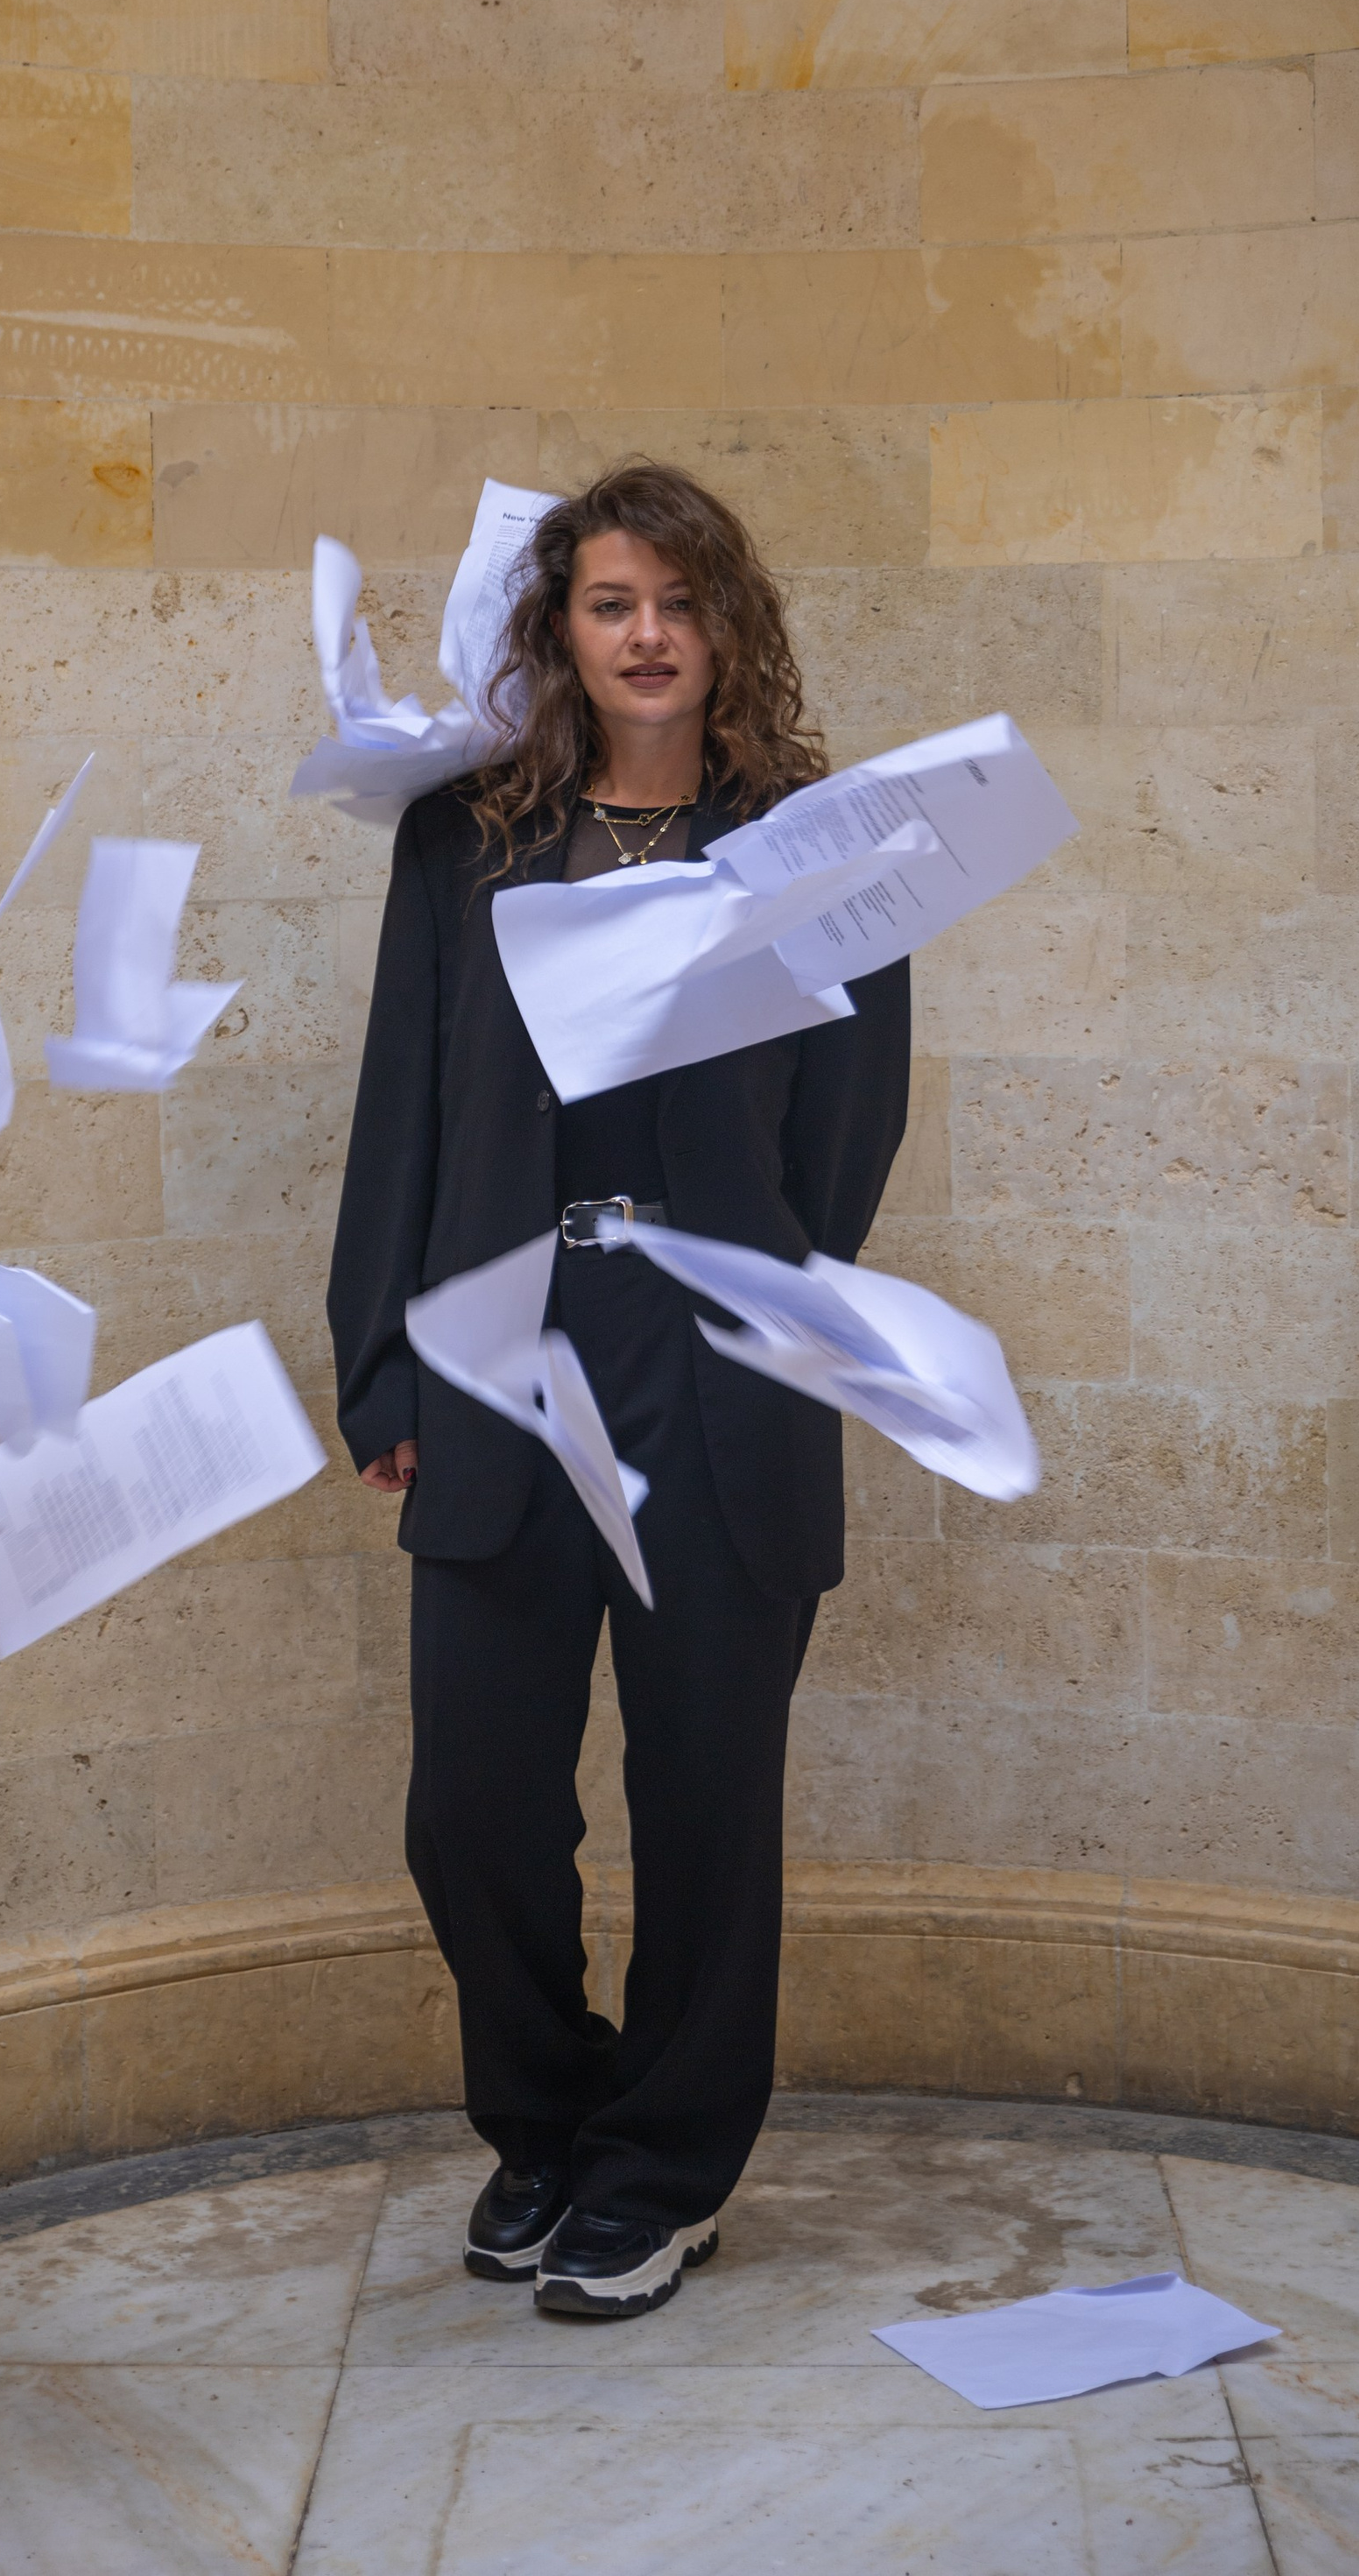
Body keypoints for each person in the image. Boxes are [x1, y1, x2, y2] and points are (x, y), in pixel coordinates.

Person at [326, 462, 911, 2322]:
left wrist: (738, 1281)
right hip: (499, 1357)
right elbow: (403, 1114)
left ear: (728, 623)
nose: (647, 633)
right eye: (608, 601)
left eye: (679, 599)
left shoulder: (814, 849)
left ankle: (659, 2173)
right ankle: (549, 2124)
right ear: (559, 629)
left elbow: (846, 1140)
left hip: (715, 1368)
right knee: (472, 1804)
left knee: (705, 1805)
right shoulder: (463, 846)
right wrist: (380, 1367)